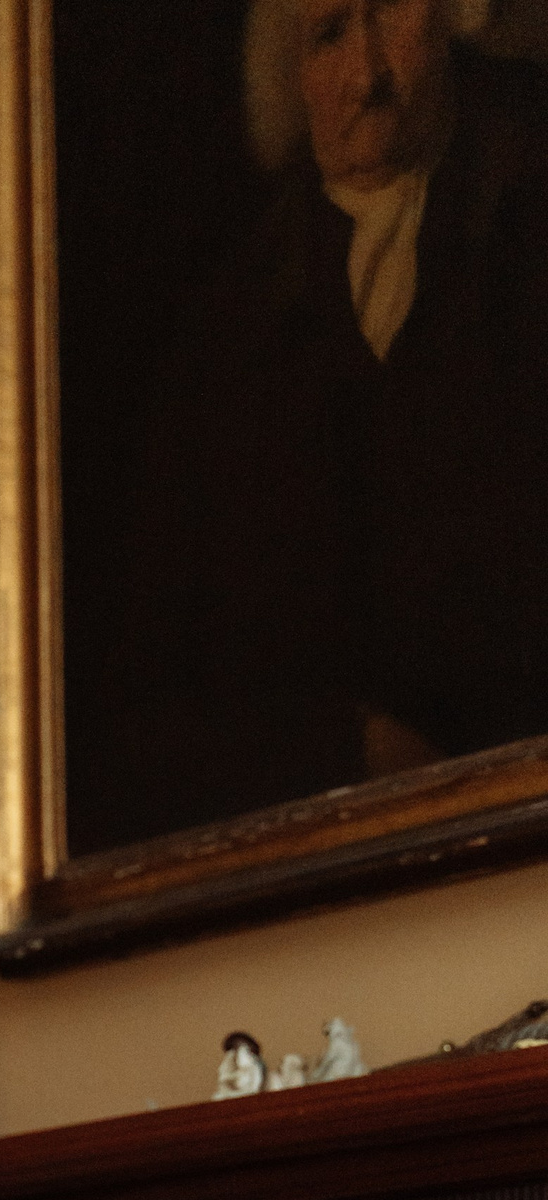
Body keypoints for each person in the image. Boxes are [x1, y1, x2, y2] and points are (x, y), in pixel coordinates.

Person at [92, 0, 548, 847]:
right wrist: (337, 750)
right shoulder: (225, 336)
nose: (366, 76)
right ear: (291, 76)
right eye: (330, 35)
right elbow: (151, 705)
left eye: (392, 13)